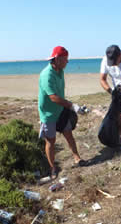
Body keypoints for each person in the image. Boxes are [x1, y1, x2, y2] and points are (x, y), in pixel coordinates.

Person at [38, 46, 87, 180]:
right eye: (66, 59)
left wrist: (68, 107)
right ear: (58, 59)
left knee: (68, 133)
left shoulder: (60, 71)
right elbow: (53, 97)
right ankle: (52, 167)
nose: (67, 62)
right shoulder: (47, 75)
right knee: (51, 141)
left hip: (61, 109)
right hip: (48, 114)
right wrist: (72, 106)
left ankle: (77, 157)